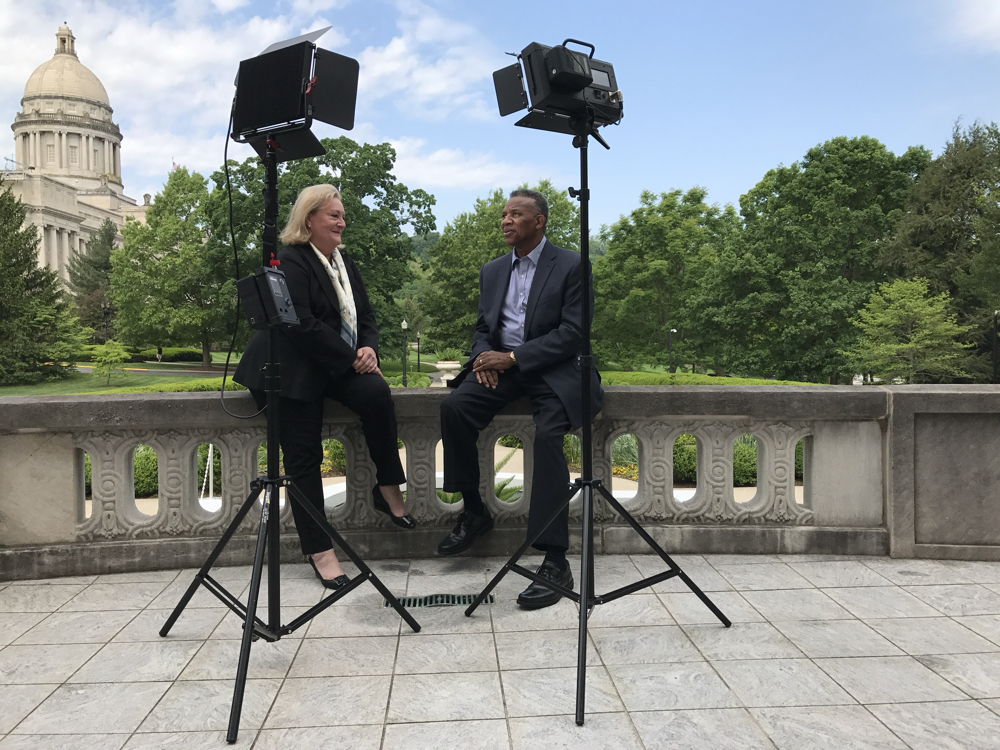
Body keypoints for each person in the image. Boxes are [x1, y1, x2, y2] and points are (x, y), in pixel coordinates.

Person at [234, 184, 414, 590]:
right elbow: (299, 322)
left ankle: (386, 487)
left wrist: (368, 348)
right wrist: (351, 357)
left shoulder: (342, 260)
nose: (341, 221)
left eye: (342, 214)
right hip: (288, 370)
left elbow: (364, 313)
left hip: (331, 362)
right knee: (304, 458)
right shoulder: (291, 260)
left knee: (376, 394)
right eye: (333, 214)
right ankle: (320, 551)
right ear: (309, 218)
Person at [437, 189, 603, 609]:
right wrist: (482, 358)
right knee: (455, 407)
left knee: (548, 436)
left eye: (516, 214)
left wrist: (513, 357)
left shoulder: (570, 264)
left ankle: (554, 559)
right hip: (502, 367)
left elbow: (573, 333)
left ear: (539, 221)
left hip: (553, 368)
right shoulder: (492, 270)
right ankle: (474, 512)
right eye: (504, 214)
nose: (506, 220)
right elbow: (481, 327)